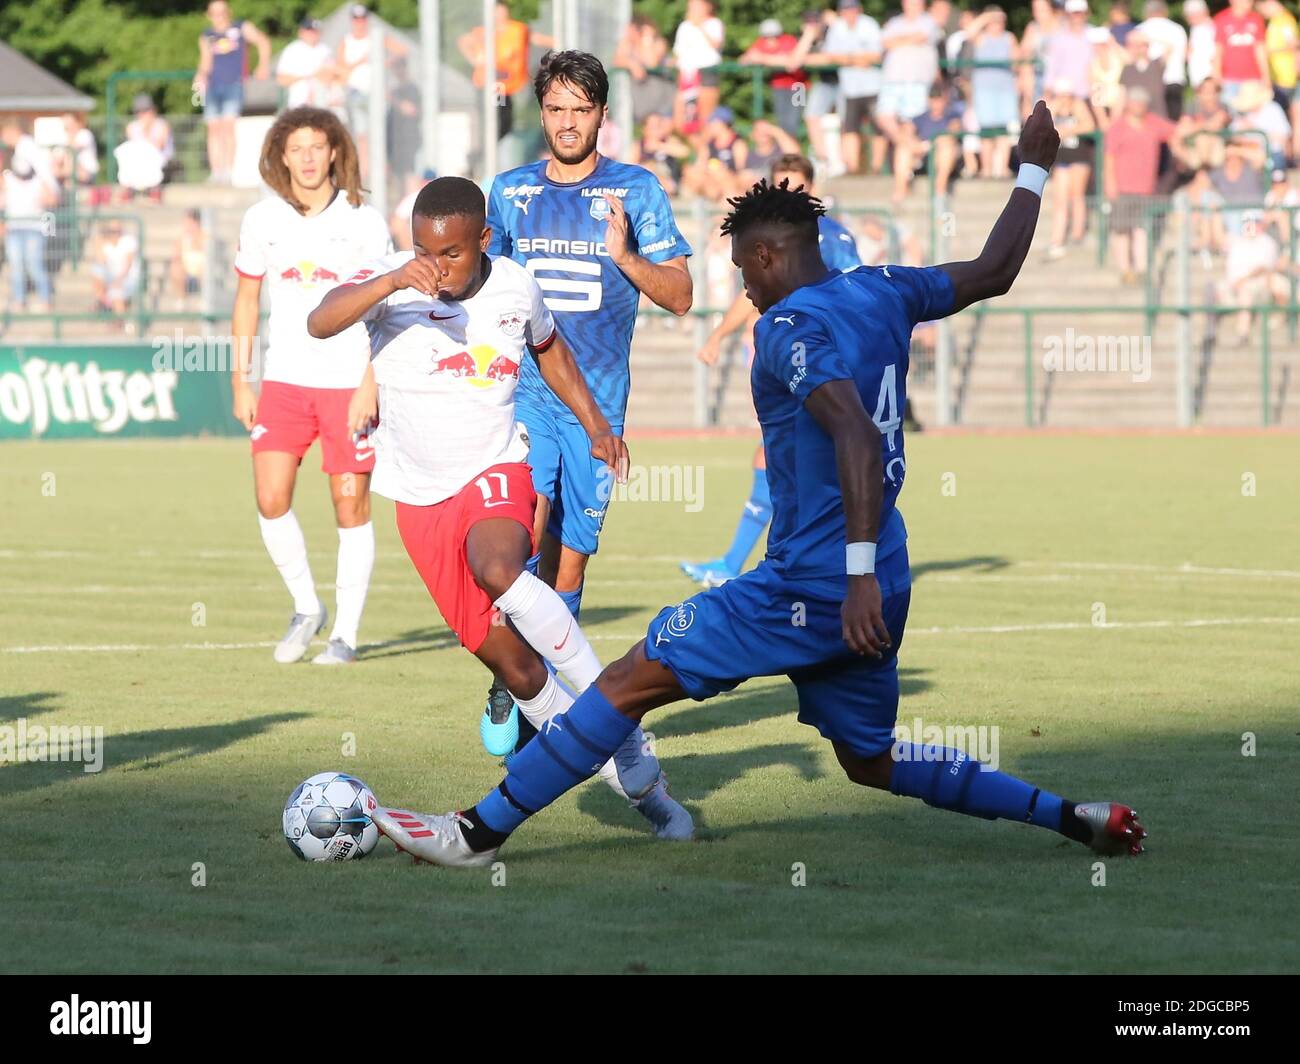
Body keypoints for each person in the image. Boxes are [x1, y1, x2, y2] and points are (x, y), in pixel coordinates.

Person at [363, 103, 1150, 871]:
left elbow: (851, 431)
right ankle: (1071, 817)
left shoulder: (785, 328)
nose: (745, 292)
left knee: (624, 682)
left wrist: (852, 575)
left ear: (768, 258)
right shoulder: (886, 288)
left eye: (743, 273)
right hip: (885, 574)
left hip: (814, 582)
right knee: (868, 761)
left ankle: (476, 833)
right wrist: (1035, 170)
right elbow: (993, 270)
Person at [308, 176, 691, 841]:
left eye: (452, 253)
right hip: (419, 500)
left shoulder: (515, 285)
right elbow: (321, 320)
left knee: (498, 566)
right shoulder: (394, 288)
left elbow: (552, 350)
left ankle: (625, 731)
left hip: (496, 469)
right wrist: (393, 279)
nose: (438, 265)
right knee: (517, 671)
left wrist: (597, 425)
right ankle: (634, 779)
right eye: (425, 250)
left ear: (483, 239)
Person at [485, 51, 693, 759]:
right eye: (556, 109)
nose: (568, 123)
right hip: (525, 392)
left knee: (568, 565)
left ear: (602, 114)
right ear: (540, 114)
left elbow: (681, 295)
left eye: (581, 109)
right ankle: (515, 675)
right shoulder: (508, 192)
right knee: (522, 528)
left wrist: (626, 256)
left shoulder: (636, 189)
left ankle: (533, 667)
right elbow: (488, 290)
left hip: (600, 403)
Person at [229, 107, 391, 666]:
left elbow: (383, 306)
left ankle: (345, 634)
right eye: (295, 147)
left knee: (350, 505)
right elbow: (247, 300)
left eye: (316, 147)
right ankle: (306, 606)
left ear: (334, 153)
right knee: (270, 498)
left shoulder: (363, 220)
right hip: (283, 381)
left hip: (348, 382)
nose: (306, 158)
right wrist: (241, 380)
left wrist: (370, 381)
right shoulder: (262, 220)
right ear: (280, 155)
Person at [685, 152, 863, 588]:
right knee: (777, 456)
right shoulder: (766, 242)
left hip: (818, 363)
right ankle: (775, 563)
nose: (788, 196)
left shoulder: (833, 239)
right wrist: (718, 337)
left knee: (793, 458)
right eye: (780, 186)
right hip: (774, 360)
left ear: (812, 190)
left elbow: (854, 296)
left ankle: (799, 563)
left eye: (796, 188)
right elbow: (750, 297)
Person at [1104, 87, 1179, 283]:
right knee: (1121, 230)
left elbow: (1175, 130)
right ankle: (1125, 269)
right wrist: (1110, 183)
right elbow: (1109, 157)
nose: (1138, 106)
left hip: (1145, 188)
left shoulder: (1153, 123)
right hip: (1122, 187)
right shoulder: (1117, 127)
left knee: (1141, 230)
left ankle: (1141, 268)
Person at [195, 1, 271, 186]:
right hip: (213, 85)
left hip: (233, 84)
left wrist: (263, 65)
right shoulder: (207, 35)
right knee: (213, 128)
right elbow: (206, 61)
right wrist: (200, 76)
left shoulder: (240, 28)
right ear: (209, 15)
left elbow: (263, 41)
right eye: (214, 13)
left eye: (221, 13)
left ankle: (228, 171)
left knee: (228, 127)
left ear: (228, 13)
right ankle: (216, 171)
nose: (219, 17)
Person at [816, 0, 884, 176]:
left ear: (858, 10)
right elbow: (831, 55)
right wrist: (857, 59)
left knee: (879, 128)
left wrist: (848, 58)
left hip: (873, 86)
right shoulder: (838, 27)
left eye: (852, 9)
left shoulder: (869, 25)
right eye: (845, 10)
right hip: (850, 88)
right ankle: (852, 168)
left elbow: (876, 55)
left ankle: (876, 168)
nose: (849, 13)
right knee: (849, 128)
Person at [875, 0, 943, 164]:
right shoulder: (894, 22)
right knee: (884, 118)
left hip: (917, 81)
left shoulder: (929, 21)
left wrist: (898, 41)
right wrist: (908, 39)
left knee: (910, 124)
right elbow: (885, 42)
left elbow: (922, 36)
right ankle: (917, 149)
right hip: (892, 80)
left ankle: (912, 163)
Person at [0, 121, 57, 314]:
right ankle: (19, 299)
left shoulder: (38, 182)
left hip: (33, 227)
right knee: (16, 266)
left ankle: (45, 298)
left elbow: (50, 200)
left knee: (34, 264)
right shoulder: (8, 179)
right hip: (15, 226)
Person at [1044, 80, 1097, 258]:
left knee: (1077, 195)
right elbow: (1044, 124)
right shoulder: (1055, 107)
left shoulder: (1079, 106)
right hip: (1061, 158)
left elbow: (1089, 125)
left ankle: (1077, 233)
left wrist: (1069, 129)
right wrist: (1054, 106)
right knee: (1060, 199)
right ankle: (1057, 239)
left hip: (1078, 156)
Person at [968, 6, 1020, 178]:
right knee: (987, 131)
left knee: (1003, 131)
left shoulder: (1008, 38)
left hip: (1004, 90)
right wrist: (987, 16)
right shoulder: (981, 38)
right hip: (984, 90)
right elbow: (969, 32)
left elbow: (1017, 61)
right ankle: (987, 169)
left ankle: (1001, 168)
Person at [892, 82, 963, 202]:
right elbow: (904, 132)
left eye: (939, 100)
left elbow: (952, 132)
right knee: (902, 150)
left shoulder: (952, 116)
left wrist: (930, 145)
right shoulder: (920, 118)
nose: (936, 104)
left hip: (942, 156)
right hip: (922, 156)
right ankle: (900, 192)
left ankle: (939, 192)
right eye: (933, 100)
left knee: (946, 147)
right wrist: (914, 144)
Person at [740, 19, 809, 140]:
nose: (770, 40)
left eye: (773, 36)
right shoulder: (761, 43)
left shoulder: (788, 41)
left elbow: (791, 62)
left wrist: (763, 58)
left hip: (798, 86)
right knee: (782, 123)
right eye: (767, 37)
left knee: (794, 122)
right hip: (779, 87)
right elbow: (744, 59)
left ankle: (794, 150)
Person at [672, 0, 725, 136]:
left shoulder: (714, 23)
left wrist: (699, 26)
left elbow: (716, 44)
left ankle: (704, 151)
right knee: (681, 119)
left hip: (706, 71)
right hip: (686, 73)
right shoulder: (685, 26)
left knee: (705, 119)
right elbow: (678, 51)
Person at [613, 15, 675, 124]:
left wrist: (647, 40)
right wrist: (631, 63)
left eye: (630, 29)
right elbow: (617, 60)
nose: (627, 33)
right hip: (642, 104)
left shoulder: (658, 43)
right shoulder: (627, 44)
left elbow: (652, 62)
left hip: (663, 104)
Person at [681, 106, 750, 199]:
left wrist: (722, 171)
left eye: (712, 123)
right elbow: (699, 165)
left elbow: (741, 173)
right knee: (692, 176)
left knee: (720, 180)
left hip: (729, 182)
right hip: (711, 180)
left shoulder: (738, 144)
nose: (709, 126)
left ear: (722, 123)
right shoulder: (709, 144)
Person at [1135, 0, 1188, 121]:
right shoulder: (1177, 29)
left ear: (1147, 12)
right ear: (1165, 11)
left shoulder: (1140, 30)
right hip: (1174, 79)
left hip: (1148, 82)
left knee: (1150, 121)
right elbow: (1184, 55)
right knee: (1174, 120)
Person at [117, 95, 173, 202]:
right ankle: (127, 191)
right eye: (140, 111)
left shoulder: (162, 125)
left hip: (158, 159)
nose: (143, 115)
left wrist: (146, 131)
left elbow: (160, 146)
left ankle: (154, 191)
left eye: (145, 111)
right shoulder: (132, 126)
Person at [1213, 0, 1268, 108]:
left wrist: (1266, 77)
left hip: (1253, 79)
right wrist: (1217, 76)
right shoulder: (1221, 19)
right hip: (1229, 79)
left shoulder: (1256, 19)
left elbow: (1260, 50)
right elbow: (1218, 51)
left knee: (1254, 116)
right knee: (1231, 115)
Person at [277, 18, 334, 110]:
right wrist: (308, 75)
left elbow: (331, 76)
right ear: (301, 32)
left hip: (322, 103)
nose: (313, 35)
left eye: (316, 31)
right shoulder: (292, 50)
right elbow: (281, 79)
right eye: (310, 31)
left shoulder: (325, 50)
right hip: (299, 104)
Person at [89, 219, 141, 317]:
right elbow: (100, 260)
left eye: (117, 230)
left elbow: (128, 265)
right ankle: (104, 301)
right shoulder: (106, 243)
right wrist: (98, 242)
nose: (115, 233)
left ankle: (119, 320)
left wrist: (118, 280)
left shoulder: (128, 240)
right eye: (112, 231)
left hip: (128, 278)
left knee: (116, 291)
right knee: (95, 270)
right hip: (112, 277)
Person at [169, 208, 207, 308]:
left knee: (206, 270)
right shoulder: (181, 237)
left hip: (202, 266)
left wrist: (194, 238)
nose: (187, 225)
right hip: (186, 267)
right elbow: (175, 254)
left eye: (189, 222)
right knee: (175, 269)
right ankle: (181, 299)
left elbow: (205, 249)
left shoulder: (204, 235)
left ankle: (205, 298)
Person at [1184, 0, 1217, 90]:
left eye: (1191, 15)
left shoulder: (1209, 28)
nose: (1188, 18)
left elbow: (1215, 54)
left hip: (1207, 77)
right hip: (1198, 77)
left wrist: (1215, 74)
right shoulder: (1196, 28)